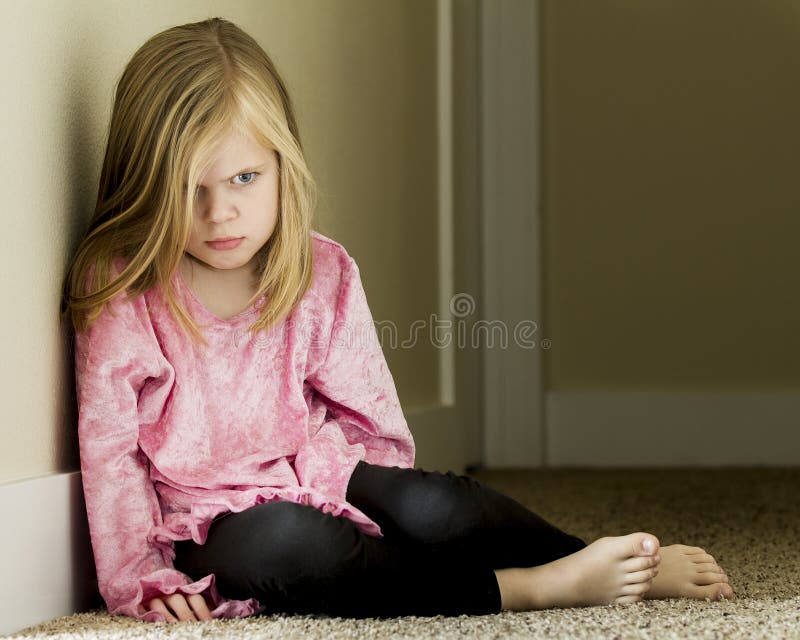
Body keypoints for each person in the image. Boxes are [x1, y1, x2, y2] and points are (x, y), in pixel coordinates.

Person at [60, 17, 734, 624]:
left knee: (438, 505)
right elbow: (111, 454)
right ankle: (527, 590)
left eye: (243, 180)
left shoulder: (321, 270)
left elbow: (372, 420)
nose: (219, 214)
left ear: (282, 168)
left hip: (320, 472)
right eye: (189, 190)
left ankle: (600, 560)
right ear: (146, 181)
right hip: (207, 519)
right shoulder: (122, 287)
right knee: (294, 544)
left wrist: (386, 510)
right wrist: (139, 577)